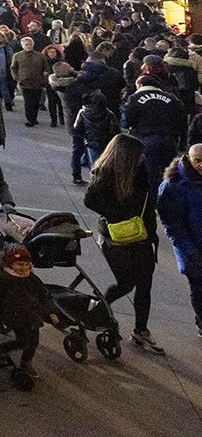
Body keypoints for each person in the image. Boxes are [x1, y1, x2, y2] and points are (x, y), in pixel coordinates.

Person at [84, 133, 164, 355]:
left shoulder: (140, 173)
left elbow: (147, 205)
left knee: (145, 284)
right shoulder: (105, 175)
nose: (143, 158)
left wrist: (151, 234)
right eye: (139, 155)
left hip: (142, 236)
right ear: (127, 156)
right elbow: (89, 200)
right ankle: (97, 307)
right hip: (116, 238)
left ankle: (141, 330)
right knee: (127, 283)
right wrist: (118, 217)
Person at [157, 144, 202, 339]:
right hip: (192, 248)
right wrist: (191, 252)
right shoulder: (173, 185)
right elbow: (173, 225)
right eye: (198, 161)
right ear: (189, 159)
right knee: (199, 287)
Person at [0, 246, 53, 376]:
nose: (24, 268)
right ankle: (2, 349)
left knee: (33, 342)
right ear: (9, 264)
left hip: (33, 314)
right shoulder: (4, 278)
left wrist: (48, 311)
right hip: (15, 314)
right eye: (20, 264)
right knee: (23, 341)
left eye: (27, 264)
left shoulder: (31, 278)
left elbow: (42, 294)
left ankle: (26, 362)